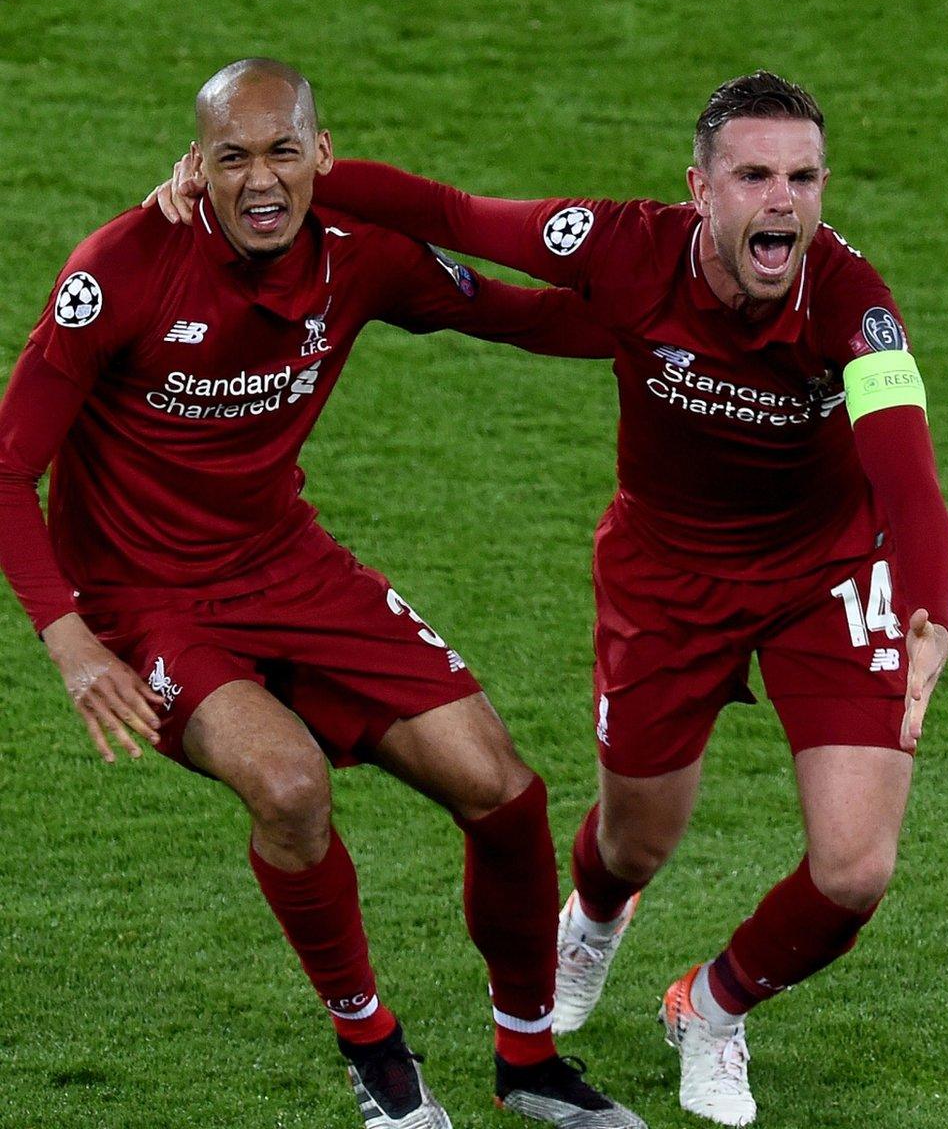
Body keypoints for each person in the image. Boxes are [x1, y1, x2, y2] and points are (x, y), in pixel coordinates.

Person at [162, 69, 948, 1127]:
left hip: (824, 576)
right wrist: (278, 175)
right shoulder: (617, 244)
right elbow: (447, 215)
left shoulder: (855, 310)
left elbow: (908, 479)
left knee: (855, 868)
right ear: (700, 190)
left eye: (804, 178)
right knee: (633, 842)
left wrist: (928, 611)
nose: (783, 201)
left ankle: (711, 1007)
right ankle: (593, 918)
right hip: (666, 581)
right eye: (754, 176)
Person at [2, 60, 642, 1129]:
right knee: (291, 789)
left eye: (281, 151)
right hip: (144, 596)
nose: (260, 180)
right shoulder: (119, 269)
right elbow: (6, 464)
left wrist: (679, 311)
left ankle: (527, 1063)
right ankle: (374, 1048)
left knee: (505, 793)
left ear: (323, 155)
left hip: (288, 563)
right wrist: (68, 640)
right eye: (232, 156)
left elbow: (519, 315)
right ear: (195, 167)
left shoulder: (363, 254)